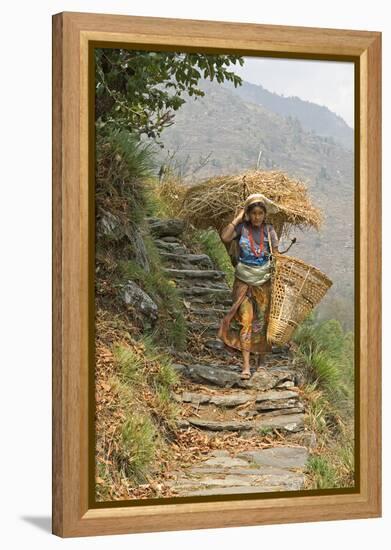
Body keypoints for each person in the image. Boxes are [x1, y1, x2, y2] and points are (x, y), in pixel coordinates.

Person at [217, 194, 280, 379]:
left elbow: (276, 256)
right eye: (253, 213)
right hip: (243, 282)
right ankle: (246, 365)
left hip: (264, 283)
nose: (257, 217)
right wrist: (238, 218)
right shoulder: (242, 229)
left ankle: (260, 364)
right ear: (248, 214)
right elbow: (225, 237)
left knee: (261, 323)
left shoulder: (269, 231)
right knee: (245, 321)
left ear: (265, 214)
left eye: (260, 213)